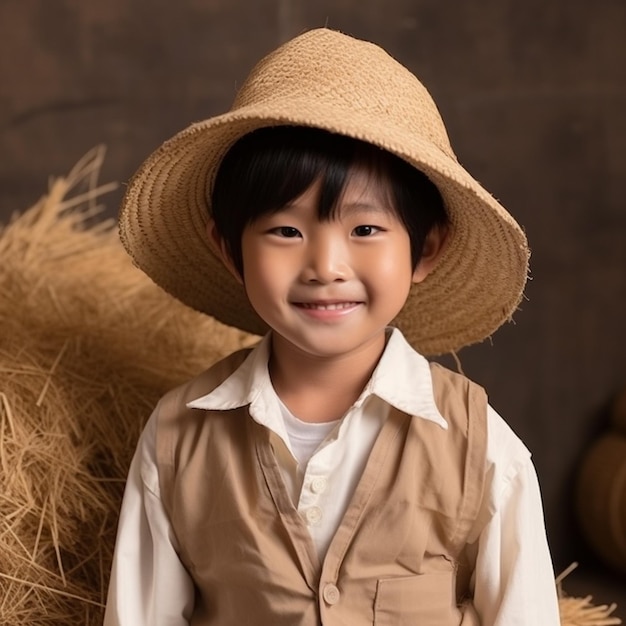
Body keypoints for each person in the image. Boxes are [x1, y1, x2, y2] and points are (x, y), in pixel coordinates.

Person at [104, 28, 560, 625]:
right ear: (228, 249)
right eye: (286, 231)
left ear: (426, 250)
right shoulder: (176, 438)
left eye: (365, 230)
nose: (325, 267)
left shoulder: (480, 447)